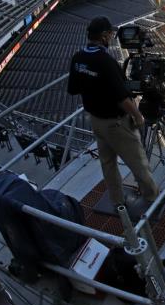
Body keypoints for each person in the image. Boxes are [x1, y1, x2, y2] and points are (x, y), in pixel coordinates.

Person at [67, 16, 158, 208]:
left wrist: (92, 85)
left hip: (96, 121)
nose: (111, 36)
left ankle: (117, 201)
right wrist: (138, 116)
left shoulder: (77, 57)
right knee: (138, 163)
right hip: (116, 123)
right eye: (109, 33)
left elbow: (73, 89)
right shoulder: (106, 61)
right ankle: (151, 199)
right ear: (103, 36)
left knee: (108, 164)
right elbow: (123, 98)